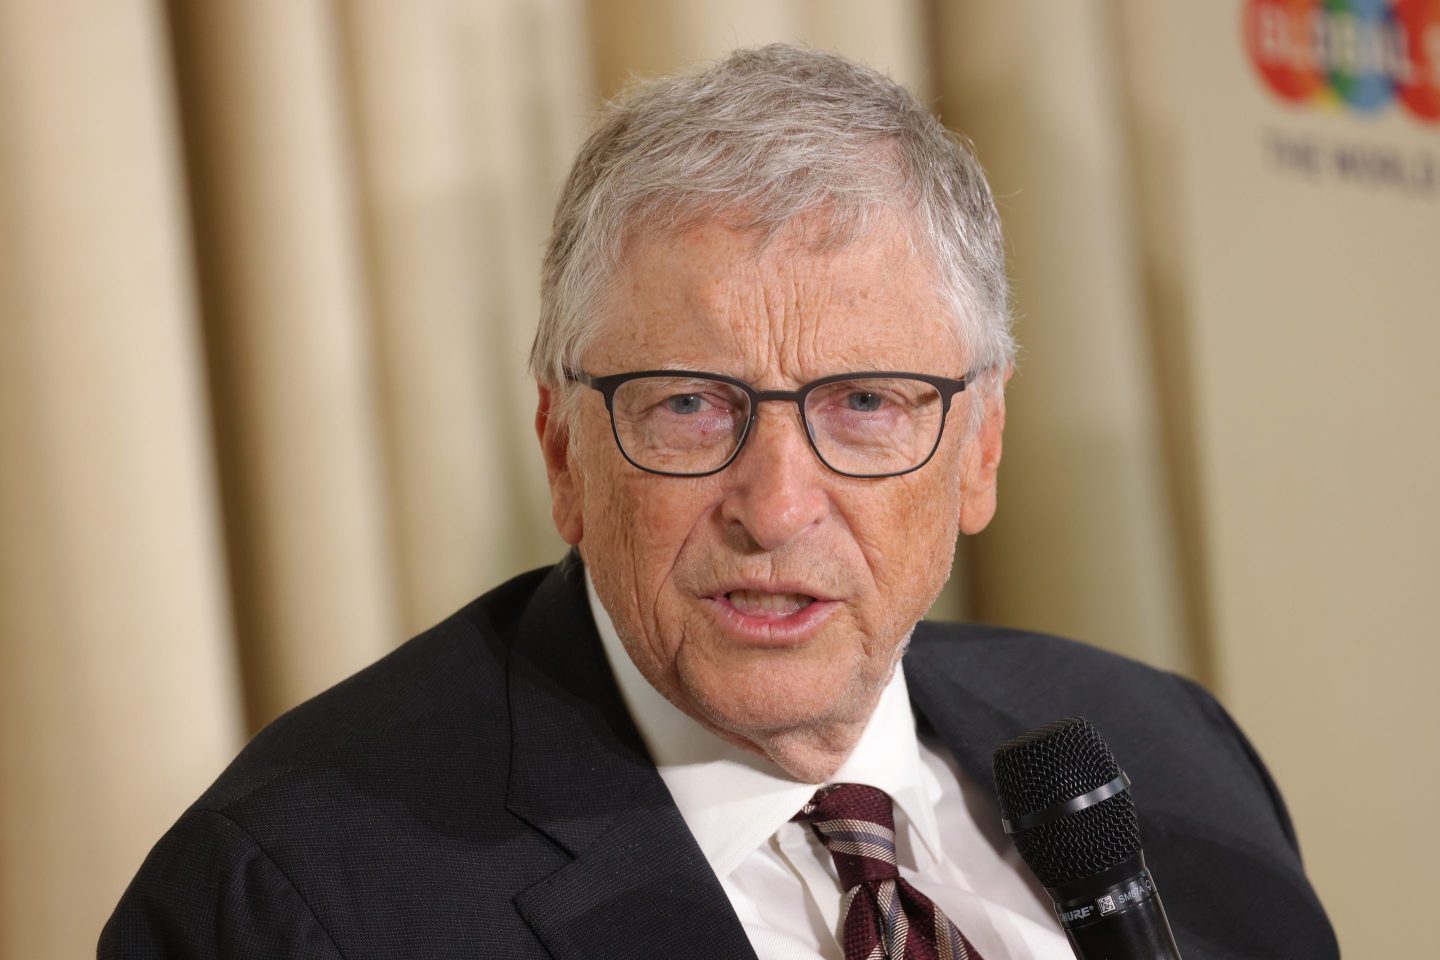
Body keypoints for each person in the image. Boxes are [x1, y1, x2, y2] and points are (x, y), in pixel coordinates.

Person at [100, 44, 1337, 959]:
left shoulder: (1172, 756)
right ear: (563, 451)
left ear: (980, 449)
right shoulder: (296, 901)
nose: (777, 507)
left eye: (866, 401)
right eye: (690, 405)